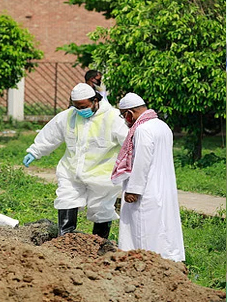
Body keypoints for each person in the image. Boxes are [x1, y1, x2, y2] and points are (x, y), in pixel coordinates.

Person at [23, 83, 128, 239]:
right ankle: (65, 240)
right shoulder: (69, 116)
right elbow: (51, 134)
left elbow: (128, 142)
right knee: (66, 199)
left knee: (101, 209)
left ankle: (99, 243)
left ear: (95, 101)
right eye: (77, 106)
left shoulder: (112, 118)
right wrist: (35, 150)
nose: (81, 110)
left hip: (102, 174)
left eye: (84, 106)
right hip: (71, 171)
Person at [112, 93, 185, 261]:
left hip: (147, 189)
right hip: (163, 185)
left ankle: (144, 262)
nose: (125, 120)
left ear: (130, 113)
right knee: (162, 226)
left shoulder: (142, 129)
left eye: (124, 115)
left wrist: (134, 190)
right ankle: (166, 260)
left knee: (142, 229)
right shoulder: (162, 125)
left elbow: (141, 162)